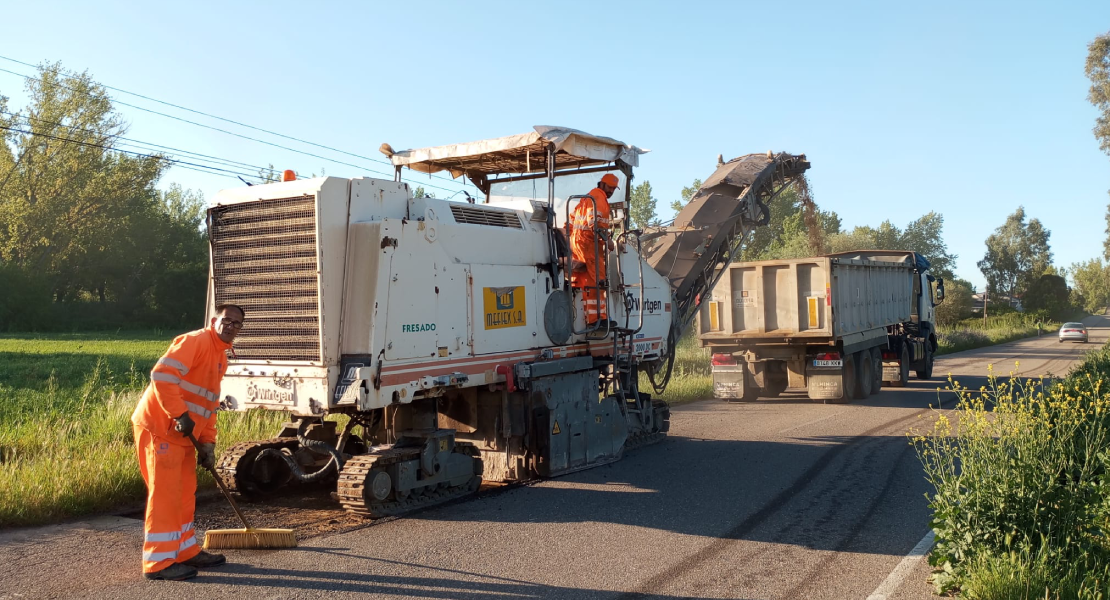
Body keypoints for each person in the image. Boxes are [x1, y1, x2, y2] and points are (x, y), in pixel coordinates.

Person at [131, 304, 245, 581]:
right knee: (166, 495)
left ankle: (184, 551)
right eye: (226, 320)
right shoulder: (195, 341)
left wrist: (208, 443)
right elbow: (162, 375)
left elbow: (207, 404)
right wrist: (179, 414)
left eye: (237, 324)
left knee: (184, 494)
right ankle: (158, 563)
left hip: (184, 434)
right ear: (214, 320)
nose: (230, 326)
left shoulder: (220, 355)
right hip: (161, 427)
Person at [570, 173, 619, 327]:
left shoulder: (587, 197)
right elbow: (595, 225)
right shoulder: (599, 199)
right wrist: (608, 241)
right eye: (609, 187)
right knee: (597, 281)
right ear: (602, 184)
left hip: (579, 243)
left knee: (586, 281)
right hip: (589, 244)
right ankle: (597, 319)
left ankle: (592, 318)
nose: (611, 190)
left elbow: (571, 220)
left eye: (613, 188)